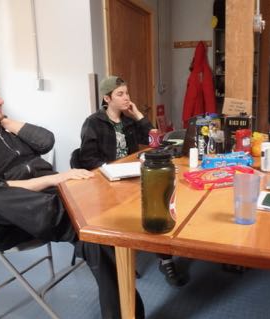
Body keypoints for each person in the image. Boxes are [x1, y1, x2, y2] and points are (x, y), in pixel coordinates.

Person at [0, 70, 155, 319]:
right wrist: (54, 180)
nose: (0, 100)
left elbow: (46, 140)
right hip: (19, 217)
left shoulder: (4, 127)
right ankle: (76, 218)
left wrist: (4, 121)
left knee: (97, 238)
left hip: (61, 197)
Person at [74, 76, 187, 287]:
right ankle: (121, 256)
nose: (126, 98)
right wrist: (111, 171)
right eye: (120, 94)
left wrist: (138, 115)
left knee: (157, 201)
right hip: (107, 181)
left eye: (127, 93)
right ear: (107, 98)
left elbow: (156, 142)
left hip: (132, 175)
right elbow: (87, 159)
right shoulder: (93, 123)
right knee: (141, 205)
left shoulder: (128, 121)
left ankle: (165, 259)